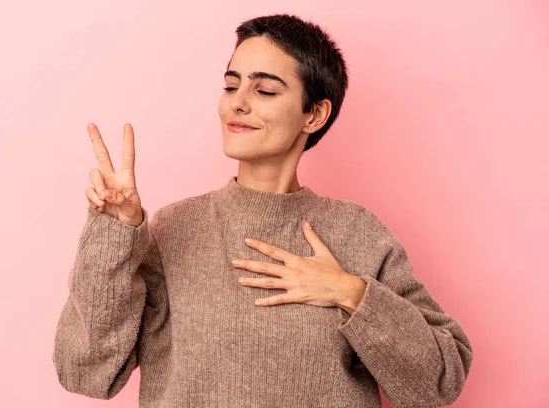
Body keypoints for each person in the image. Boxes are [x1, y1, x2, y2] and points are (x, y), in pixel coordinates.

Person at [52, 13, 473, 408]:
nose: (237, 103)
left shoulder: (357, 233)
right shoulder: (173, 228)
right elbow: (86, 373)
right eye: (231, 85)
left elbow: (439, 382)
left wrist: (351, 293)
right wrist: (114, 233)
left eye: (265, 90)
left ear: (315, 114)